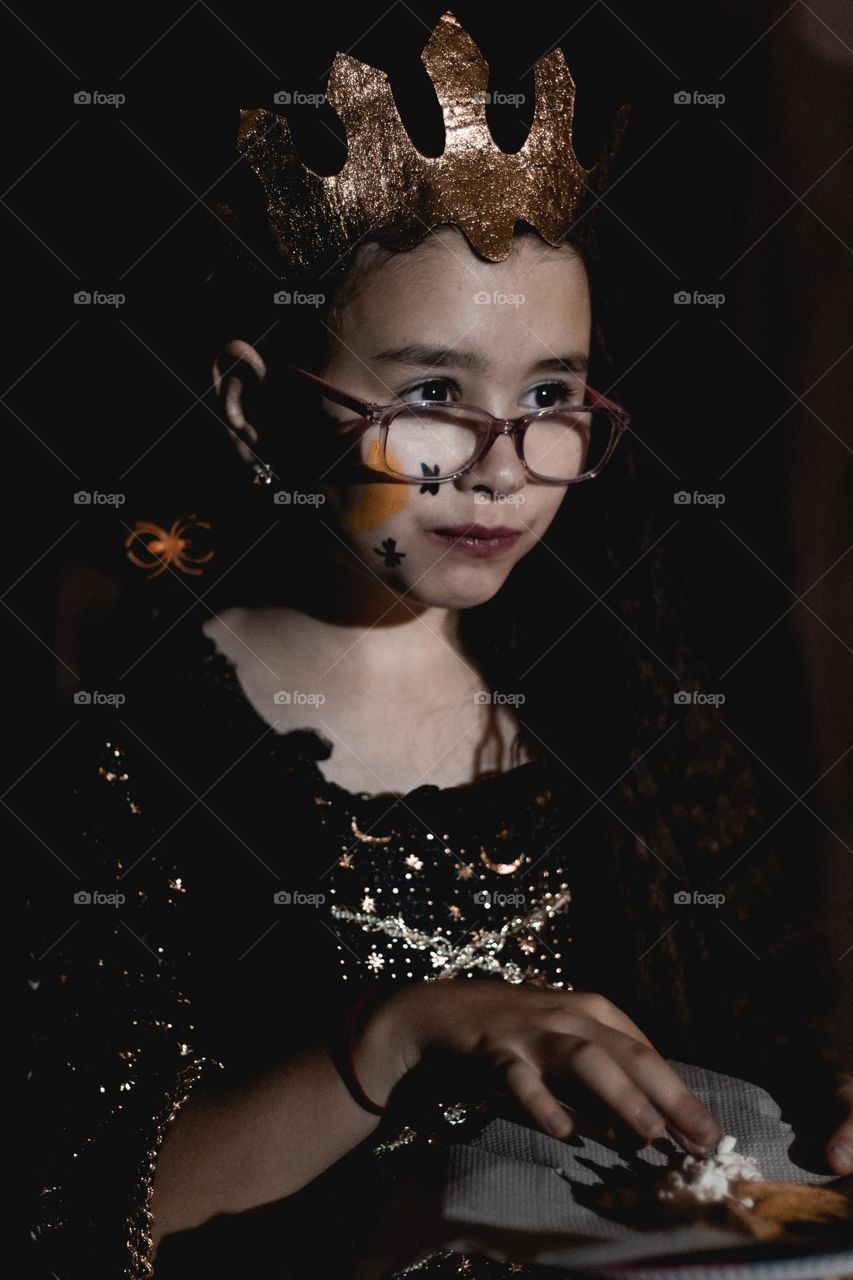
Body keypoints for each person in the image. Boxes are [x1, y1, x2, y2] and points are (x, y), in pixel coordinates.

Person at [28, 12, 853, 1279]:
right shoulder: (132, 753)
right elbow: (75, 1204)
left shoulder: (616, 706)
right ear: (255, 408)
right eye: (427, 397)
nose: (500, 470)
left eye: (548, 398)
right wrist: (396, 1035)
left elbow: (758, 1021)